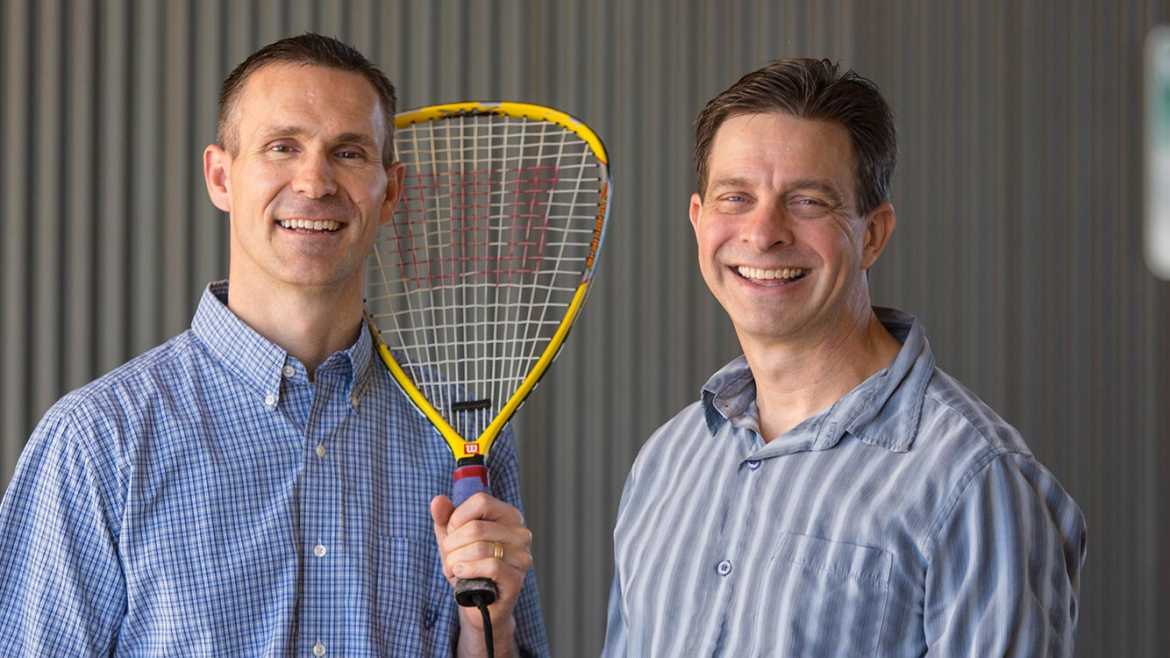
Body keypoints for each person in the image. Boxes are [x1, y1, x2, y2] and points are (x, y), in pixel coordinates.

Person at [0, 33, 547, 657]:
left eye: (348, 152)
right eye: (282, 147)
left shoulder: (464, 434)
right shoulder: (98, 443)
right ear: (220, 176)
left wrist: (488, 628)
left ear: (391, 192)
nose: (314, 182)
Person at [602, 59, 1086, 657]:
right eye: (736, 197)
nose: (763, 232)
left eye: (806, 201)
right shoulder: (668, 463)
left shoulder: (975, 482)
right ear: (699, 221)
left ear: (873, 234)